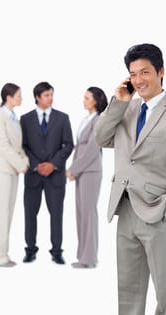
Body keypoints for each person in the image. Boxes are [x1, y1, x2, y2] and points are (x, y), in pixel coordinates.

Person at [95, 43, 166, 315]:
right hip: (124, 208)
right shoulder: (126, 108)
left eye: (145, 72)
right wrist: (117, 101)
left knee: (165, 292)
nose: (139, 80)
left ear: (161, 73)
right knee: (129, 288)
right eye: (132, 74)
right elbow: (101, 138)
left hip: (158, 213)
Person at [20, 82, 74, 264]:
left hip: (55, 176)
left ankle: (57, 251)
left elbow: (69, 144)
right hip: (33, 176)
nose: (51, 98)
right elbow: (23, 146)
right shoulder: (25, 119)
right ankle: (30, 249)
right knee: (29, 214)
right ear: (37, 97)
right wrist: (37, 165)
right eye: (46, 95)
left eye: (51, 94)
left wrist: (52, 164)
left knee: (57, 214)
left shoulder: (63, 118)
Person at [0, 83, 29, 267]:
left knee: (9, 213)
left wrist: (24, 163)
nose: (21, 98)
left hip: (14, 171)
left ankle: (2, 254)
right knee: (2, 213)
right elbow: (4, 148)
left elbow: (18, 147)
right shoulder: (0, 117)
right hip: (4, 170)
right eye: (18, 95)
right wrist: (22, 165)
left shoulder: (13, 117)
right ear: (8, 97)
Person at [66, 87, 108, 268]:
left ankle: (89, 259)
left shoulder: (99, 120)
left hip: (90, 171)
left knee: (88, 214)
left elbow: (92, 149)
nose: (83, 100)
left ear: (96, 101)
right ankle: (83, 255)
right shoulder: (87, 119)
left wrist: (74, 169)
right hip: (83, 171)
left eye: (87, 98)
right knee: (81, 213)